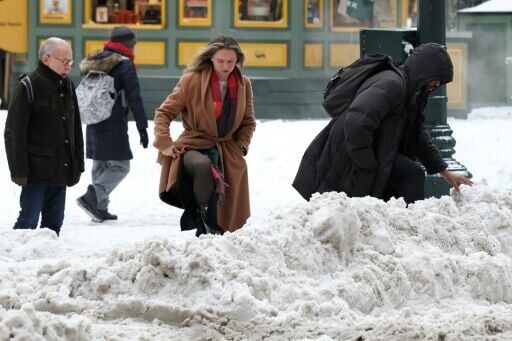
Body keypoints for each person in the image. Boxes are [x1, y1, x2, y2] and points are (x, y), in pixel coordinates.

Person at [293, 43, 473, 205]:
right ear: (423, 72)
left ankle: (402, 227)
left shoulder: (408, 92)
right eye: (435, 79)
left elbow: (417, 134)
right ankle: (410, 229)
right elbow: (357, 122)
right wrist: (368, 163)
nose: (436, 85)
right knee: (412, 175)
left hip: (361, 155)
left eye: (440, 82)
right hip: (346, 158)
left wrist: (443, 170)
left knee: (409, 175)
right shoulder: (393, 85)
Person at [153, 35, 256, 236]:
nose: (226, 66)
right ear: (211, 59)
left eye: (231, 61)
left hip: (227, 148)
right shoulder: (191, 80)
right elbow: (163, 113)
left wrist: (241, 146)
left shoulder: (244, 84)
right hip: (192, 144)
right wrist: (164, 142)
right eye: (220, 61)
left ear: (238, 61)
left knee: (229, 185)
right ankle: (205, 222)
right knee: (203, 167)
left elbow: (248, 121)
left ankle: (212, 226)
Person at [4, 37, 84, 236]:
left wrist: (78, 164)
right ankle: (15, 259)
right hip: (35, 171)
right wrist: (19, 170)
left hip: (61, 168)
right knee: (28, 220)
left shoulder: (67, 85)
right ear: (47, 59)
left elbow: (75, 129)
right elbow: (14, 133)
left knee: (54, 224)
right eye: (64, 61)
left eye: (70, 61)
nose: (68, 66)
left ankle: (48, 261)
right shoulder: (29, 86)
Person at [76, 26, 149, 222]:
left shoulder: (98, 59)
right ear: (127, 43)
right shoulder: (124, 64)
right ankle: (93, 196)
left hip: (93, 118)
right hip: (113, 121)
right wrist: (142, 127)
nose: (134, 48)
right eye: (132, 44)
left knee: (100, 164)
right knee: (120, 166)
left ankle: (99, 208)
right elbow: (135, 97)